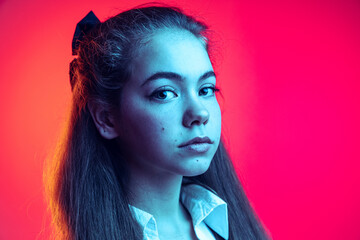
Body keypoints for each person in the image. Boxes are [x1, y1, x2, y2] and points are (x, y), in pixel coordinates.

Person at [45, 4, 269, 240]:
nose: (200, 113)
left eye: (206, 89)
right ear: (107, 119)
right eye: (164, 93)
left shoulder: (226, 225)